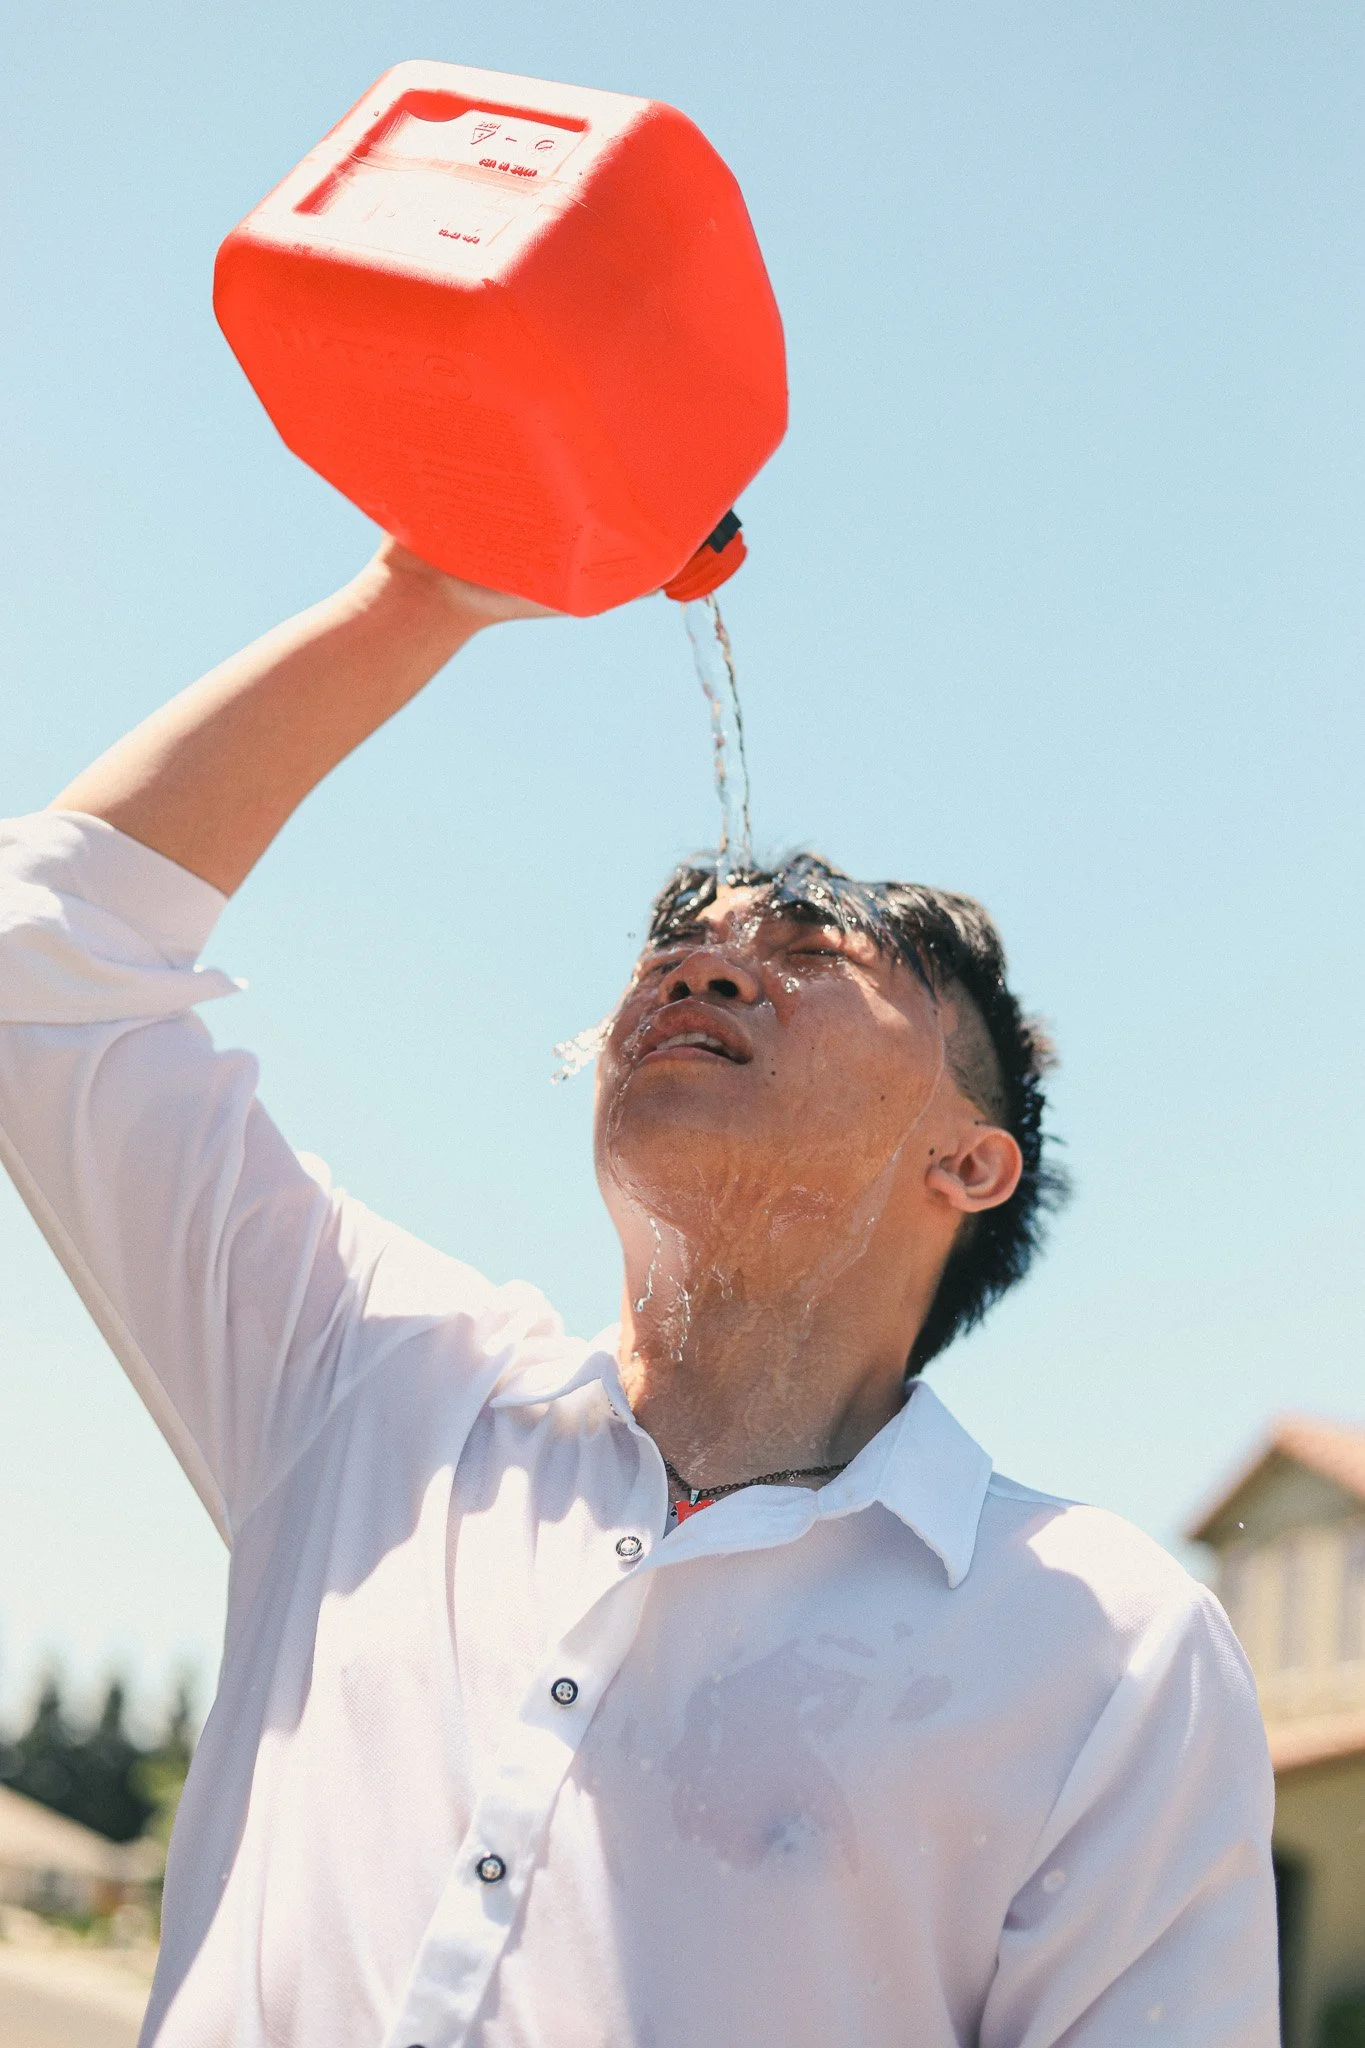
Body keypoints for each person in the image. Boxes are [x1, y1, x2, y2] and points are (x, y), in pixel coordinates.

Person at [0, 540, 1278, 2047]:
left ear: (971, 1162)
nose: (702, 966)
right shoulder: (376, 1388)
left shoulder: (1105, 1649)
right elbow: (43, 962)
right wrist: (421, 596)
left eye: (810, 954)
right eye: (679, 942)